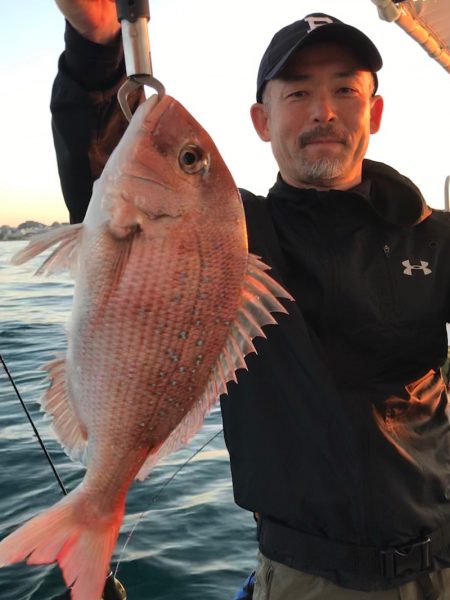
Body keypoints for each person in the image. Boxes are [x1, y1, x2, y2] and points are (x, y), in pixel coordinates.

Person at [51, 2, 450, 598]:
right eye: (297, 94)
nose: (323, 112)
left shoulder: (436, 238)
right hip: (305, 578)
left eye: (346, 89)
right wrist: (96, 42)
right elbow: (109, 179)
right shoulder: (229, 234)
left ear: (376, 111)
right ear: (262, 120)